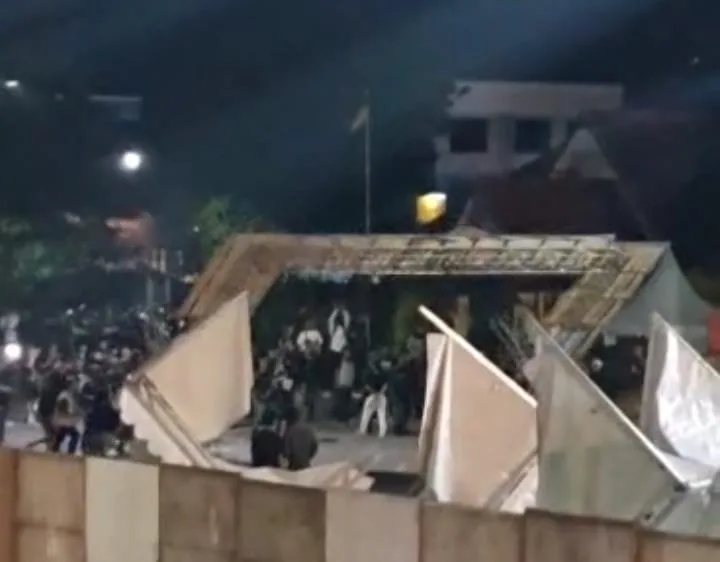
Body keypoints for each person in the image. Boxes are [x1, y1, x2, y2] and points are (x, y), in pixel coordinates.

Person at [358, 357, 389, 438]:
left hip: (371, 395)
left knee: (366, 413)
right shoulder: (383, 373)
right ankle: (382, 432)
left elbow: (367, 386)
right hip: (382, 395)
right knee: (381, 414)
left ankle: (362, 430)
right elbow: (386, 385)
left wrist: (374, 393)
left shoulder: (370, 374)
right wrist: (380, 392)